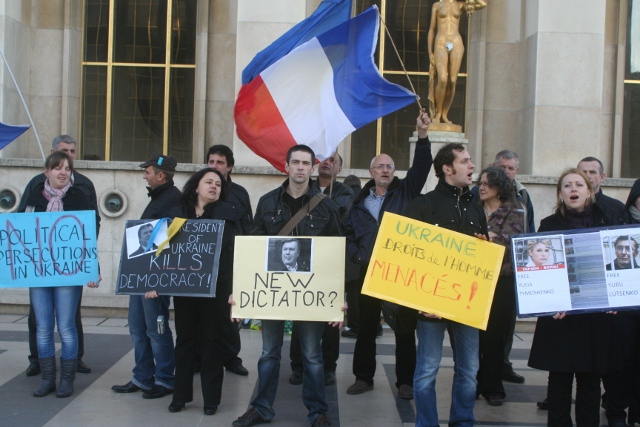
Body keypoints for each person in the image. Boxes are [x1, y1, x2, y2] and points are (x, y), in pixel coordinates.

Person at [231, 145, 342, 427]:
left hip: (311, 295)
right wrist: (240, 290)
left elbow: (336, 257)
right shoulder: (267, 202)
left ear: (312, 168)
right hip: (273, 294)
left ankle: (318, 412)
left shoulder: (327, 207)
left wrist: (339, 298)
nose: (301, 167)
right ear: (287, 166)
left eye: (306, 163)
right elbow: (253, 249)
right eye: (296, 162)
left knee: (313, 356)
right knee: (269, 353)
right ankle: (261, 408)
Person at [344, 111, 432, 400]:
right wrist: (358, 257)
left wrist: (422, 136)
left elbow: (421, 168)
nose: (385, 170)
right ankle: (363, 377)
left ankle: (405, 381)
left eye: (390, 166)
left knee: (404, 328)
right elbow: (349, 236)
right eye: (380, 166)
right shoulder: (359, 203)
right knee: (366, 328)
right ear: (371, 172)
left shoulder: (405, 192)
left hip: (399, 273)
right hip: (368, 271)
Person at [528, 168, 620, 427]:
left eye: (579, 185)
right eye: (567, 186)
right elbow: (541, 269)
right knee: (559, 380)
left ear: (589, 191)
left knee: (590, 381)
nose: (573, 189)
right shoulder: (549, 224)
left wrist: (616, 298)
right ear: (560, 193)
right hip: (560, 316)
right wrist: (548, 301)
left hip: (595, 316)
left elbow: (616, 267)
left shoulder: (607, 221)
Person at [146, 167, 242, 415]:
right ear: (196, 186)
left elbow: (236, 254)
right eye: (209, 182)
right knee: (185, 341)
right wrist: (154, 281)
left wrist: (236, 289)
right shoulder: (176, 213)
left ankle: (211, 400)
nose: (214, 187)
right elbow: (159, 250)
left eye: (218, 184)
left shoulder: (228, 214)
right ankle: (180, 396)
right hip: (185, 288)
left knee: (213, 342)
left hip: (217, 289)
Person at [405, 142, 487, 427]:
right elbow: (407, 257)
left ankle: (462, 421)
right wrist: (420, 300)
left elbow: (482, 261)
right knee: (427, 370)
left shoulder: (476, 208)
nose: (472, 166)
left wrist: (485, 248)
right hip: (430, 306)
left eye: (470, 160)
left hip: (467, 307)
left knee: (469, 371)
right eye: (465, 161)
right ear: (447, 169)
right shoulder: (423, 205)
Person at [19, 151, 99, 398]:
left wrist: (92, 268)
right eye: (57, 168)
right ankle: (47, 379)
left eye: (67, 168)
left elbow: (88, 234)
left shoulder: (79, 196)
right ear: (47, 172)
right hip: (39, 272)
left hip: (68, 272)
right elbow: (21, 229)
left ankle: (66, 380)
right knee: (43, 327)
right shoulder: (34, 196)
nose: (63, 172)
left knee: (65, 326)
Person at [111, 154, 181, 399]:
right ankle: (142, 377)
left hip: (154, 280)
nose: (144, 176)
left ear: (161, 175)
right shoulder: (160, 197)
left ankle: (165, 379)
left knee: (156, 329)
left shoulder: (175, 200)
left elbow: (172, 241)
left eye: (148, 172)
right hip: (140, 276)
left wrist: (158, 280)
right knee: (138, 328)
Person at [289, 153, 354, 387]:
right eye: (323, 159)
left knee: (330, 320)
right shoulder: (306, 188)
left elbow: (340, 214)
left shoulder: (345, 192)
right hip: (303, 260)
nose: (327, 162)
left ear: (340, 168)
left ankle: (328, 367)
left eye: (333, 160)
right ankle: (298, 366)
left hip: (328, 263)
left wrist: (320, 200)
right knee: (301, 314)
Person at [474, 166, 524, 407]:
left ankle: (493, 386)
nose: (482, 187)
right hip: (475, 279)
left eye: (487, 183)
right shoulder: (473, 209)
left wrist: (486, 241)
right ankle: (471, 383)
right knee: (473, 337)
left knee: (495, 337)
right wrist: (489, 240)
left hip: (502, 281)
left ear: (499, 187)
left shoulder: (514, 211)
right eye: (480, 183)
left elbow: (510, 245)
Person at [206, 144, 252, 376]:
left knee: (230, 313)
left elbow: (248, 229)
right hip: (202, 263)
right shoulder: (197, 189)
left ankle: (231, 358)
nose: (215, 166)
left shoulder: (240, 194)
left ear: (230, 166)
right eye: (211, 161)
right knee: (202, 315)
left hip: (231, 264)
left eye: (220, 162)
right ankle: (199, 357)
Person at [427, 0, 486, 124]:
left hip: (456, 41)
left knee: (453, 80)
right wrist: (430, 51)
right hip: (441, 41)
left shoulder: (460, 5)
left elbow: (483, 4)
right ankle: (438, 113)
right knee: (442, 79)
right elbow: (432, 29)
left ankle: (445, 113)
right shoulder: (437, 6)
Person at [341, 175, 363, 339]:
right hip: (366, 253)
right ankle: (375, 326)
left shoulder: (346, 200)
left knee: (353, 293)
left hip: (351, 254)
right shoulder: (366, 199)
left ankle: (355, 326)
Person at [578, 156, 626, 224]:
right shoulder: (566, 208)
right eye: (583, 172)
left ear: (602, 177)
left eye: (592, 172)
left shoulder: (617, 208)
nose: (587, 176)